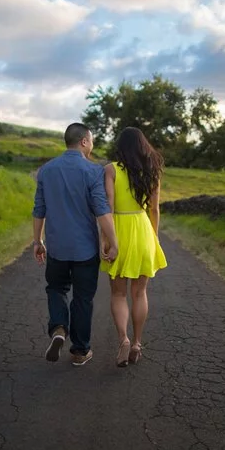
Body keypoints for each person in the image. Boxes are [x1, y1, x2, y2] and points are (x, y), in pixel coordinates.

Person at [32, 123, 119, 367]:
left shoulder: (47, 170)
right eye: (91, 140)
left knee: (56, 288)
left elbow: (39, 209)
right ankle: (80, 351)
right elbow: (102, 210)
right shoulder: (93, 171)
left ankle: (59, 327)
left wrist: (37, 241)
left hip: (57, 247)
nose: (92, 145)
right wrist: (113, 242)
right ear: (83, 141)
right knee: (82, 298)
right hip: (85, 250)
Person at [100, 127, 167, 367]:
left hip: (119, 229)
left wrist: (105, 240)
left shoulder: (111, 169)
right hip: (143, 229)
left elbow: (107, 205)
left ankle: (123, 340)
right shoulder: (152, 170)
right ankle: (138, 342)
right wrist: (154, 238)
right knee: (140, 293)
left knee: (118, 293)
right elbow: (155, 210)